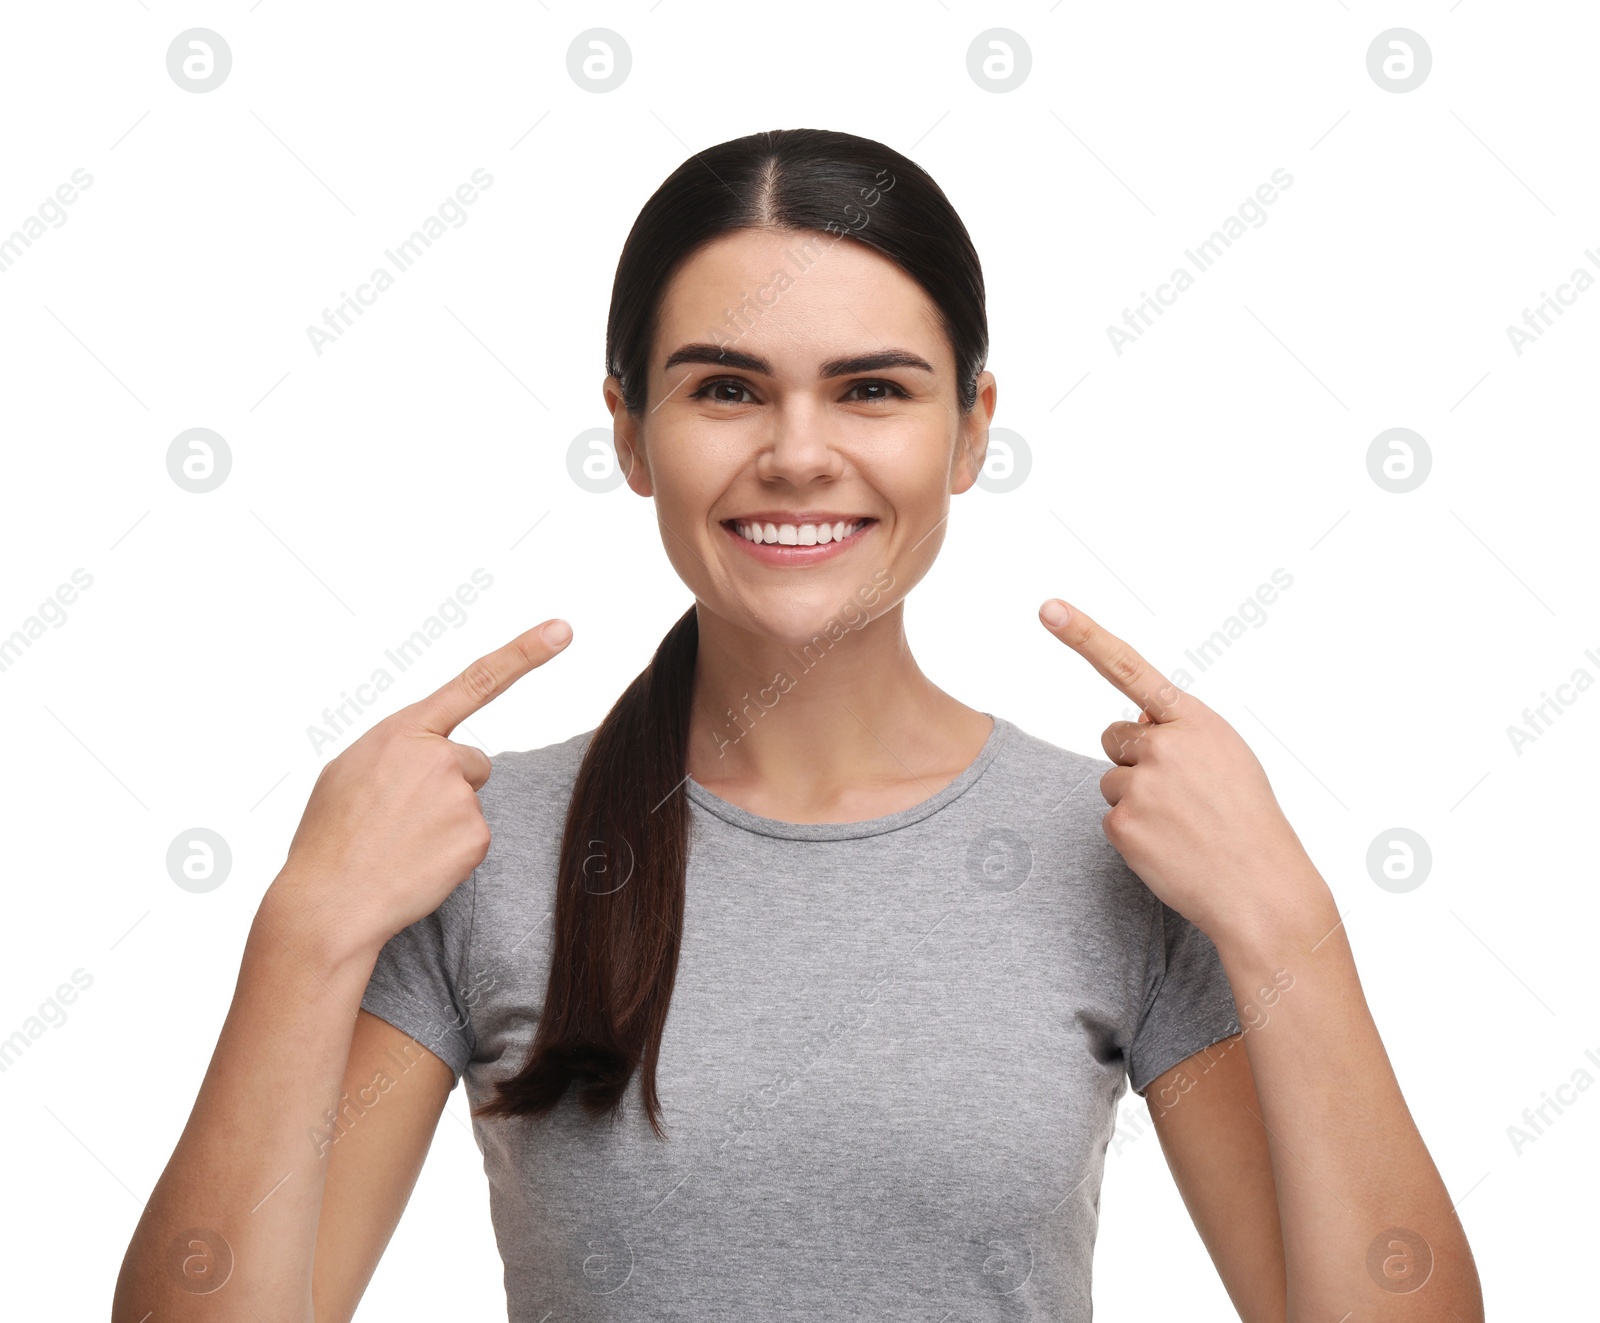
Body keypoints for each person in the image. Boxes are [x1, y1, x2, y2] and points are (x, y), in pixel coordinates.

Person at [113, 127, 1483, 1322]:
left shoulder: (1132, 852)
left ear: (970, 430)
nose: (798, 452)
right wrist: (304, 933)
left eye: (872, 388)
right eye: (725, 389)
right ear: (632, 431)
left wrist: (1289, 921)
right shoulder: (469, 855)